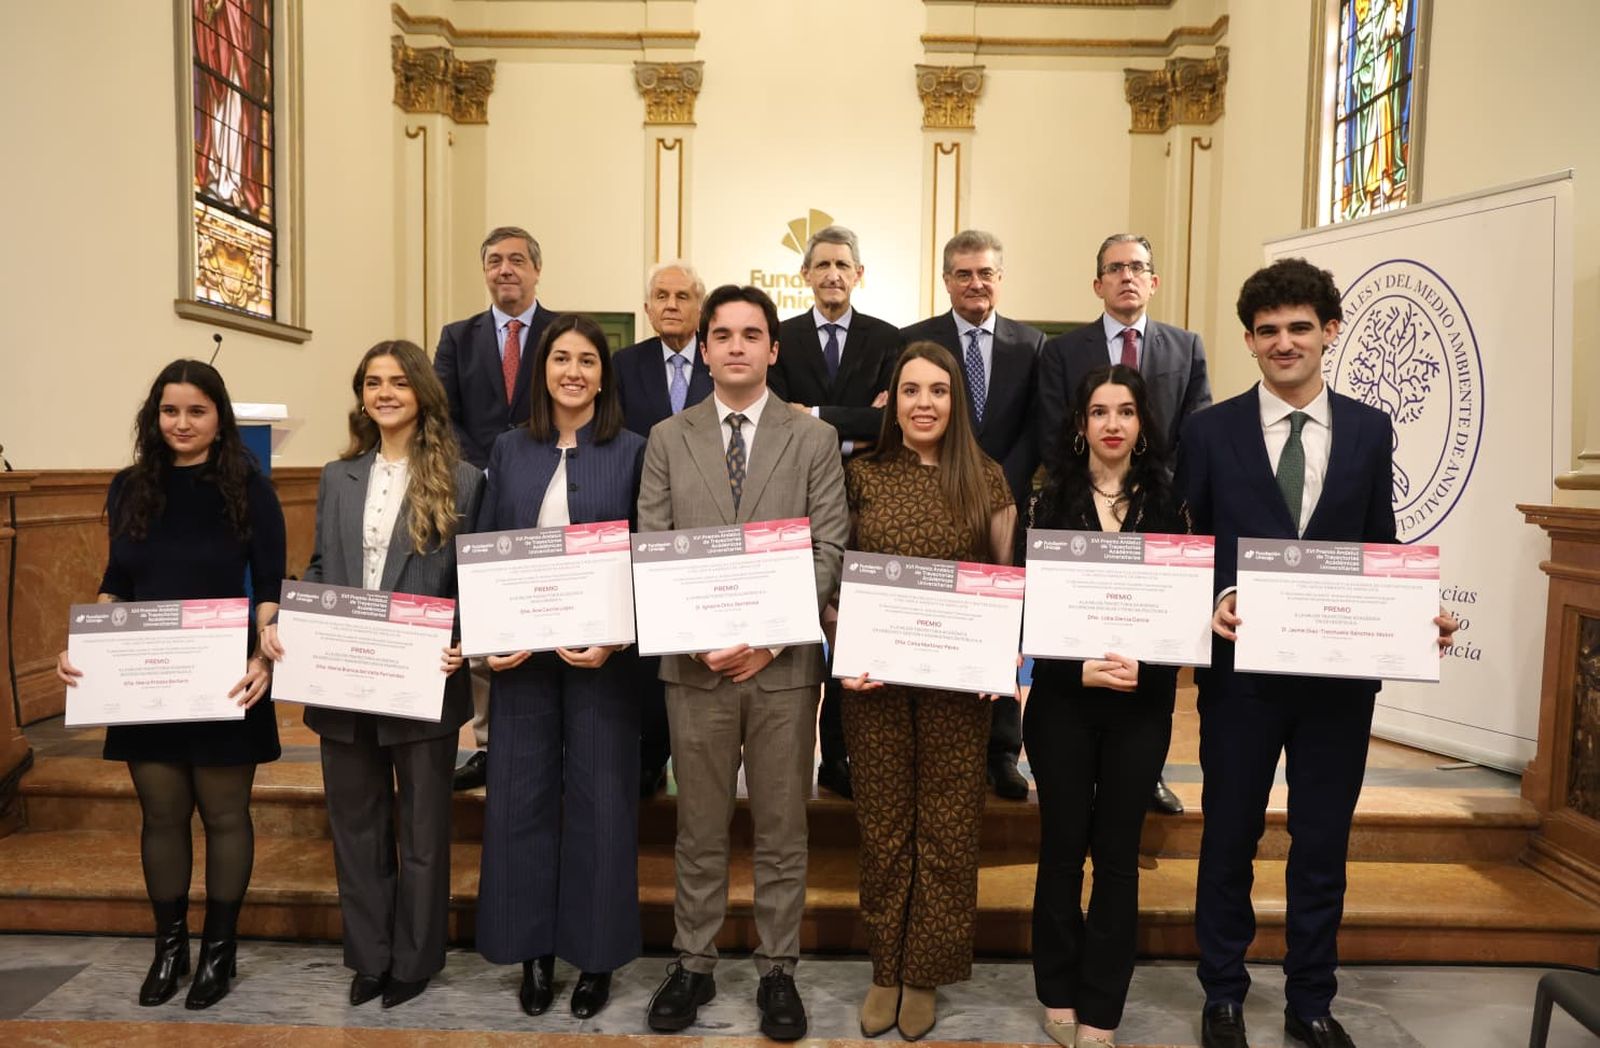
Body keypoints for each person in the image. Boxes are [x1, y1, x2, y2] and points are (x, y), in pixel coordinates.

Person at [1179, 259, 1458, 1048]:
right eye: (1267, 331)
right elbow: (1190, 546)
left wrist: (1413, 617)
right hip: (1243, 676)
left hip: (1337, 680)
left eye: (1300, 327)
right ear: (1248, 341)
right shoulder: (1209, 429)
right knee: (1229, 833)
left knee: (1323, 840)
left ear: (1330, 331)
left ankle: (1310, 1000)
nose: (1284, 343)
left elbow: (1380, 546)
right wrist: (1214, 601)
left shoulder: (1370, 428)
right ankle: (1223, 994)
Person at [638, 285, 848, 1042]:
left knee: (783, 826)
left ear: (772, 349)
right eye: (720, 334)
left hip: (783, 667)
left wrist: (766, 637)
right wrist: (700, 640)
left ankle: (777, 970)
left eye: (749, 334)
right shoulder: (667, 436)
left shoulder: (812, 439)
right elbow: (652, 547)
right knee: (698, 825)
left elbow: (829, 548)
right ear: (703, 347)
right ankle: (693, 962)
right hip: (695, 668)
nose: (734, 346)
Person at [56, 358, 284, 1010]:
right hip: (143, 677)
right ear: (155, 416)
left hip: (224, 675)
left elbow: (270, 585)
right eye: (169, 410)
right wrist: (86, 642)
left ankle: (219, 953)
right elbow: (117, 581)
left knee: (223, 814)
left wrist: (264, 659)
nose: (181, 423)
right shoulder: (130, 486)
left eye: (196, 411)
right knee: (160, 815)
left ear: (219, 417)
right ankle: (169, 948)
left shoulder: (248, 486)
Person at [263, 340, 483, 1010]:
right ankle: (369, 956)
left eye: (397, 381)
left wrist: (464, 639)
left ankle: (414, 958)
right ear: (362, 395)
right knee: (356, 825)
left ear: (421, 391)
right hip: (345, 679)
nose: (384, 392)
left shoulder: (465, 478)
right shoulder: (338, 475)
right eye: (372, 382)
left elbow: (474, 581)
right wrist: (292, 623)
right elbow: (325, 565)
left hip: (424, 675)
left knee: (422, 828)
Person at [838, 340, 1016, 1041]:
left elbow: (1005, 584)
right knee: (883, 831)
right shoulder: (862, 475)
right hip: (875, 686)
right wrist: (841, 647)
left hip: (955, 692)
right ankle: (886, 967)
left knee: (945, 831)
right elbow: (838, 581)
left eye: (938, 391)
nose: (923, 404)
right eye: (910, 390)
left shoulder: (989, 480)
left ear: (956, 402)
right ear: (893, 401)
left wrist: (996, 660)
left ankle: (924, 975)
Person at [473, 315, 647, 1020]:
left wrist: (617, 637)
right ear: (542, 370)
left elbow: (646, 554)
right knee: (519, 801)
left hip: (603, 661)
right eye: (560, 359)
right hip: (522, 662)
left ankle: (596, 957)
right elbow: (485, 548)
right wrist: (488, 638)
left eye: (586, 360)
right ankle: (533, 953)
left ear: (604, 375)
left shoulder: (633, 451)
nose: (573, 370)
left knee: (603, 804)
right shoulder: (509, 451)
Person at [1024, 364, 1188, 1048]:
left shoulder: (1171, 503)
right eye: (1099, 411)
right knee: (1062, 848)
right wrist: (1074, 665)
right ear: (1080, 423)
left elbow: (1180, 610)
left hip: (1140, 705)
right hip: (1062, 701)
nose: (1112, 423)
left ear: (1141, 423)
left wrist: (1146, 665)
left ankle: (1102, 1006)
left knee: (1117, 856)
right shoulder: (1048, 498)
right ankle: (1057, 990)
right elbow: (1030, 607)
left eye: (1125, 411)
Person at [1035, 233, 1213, 817]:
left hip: (1154, 519)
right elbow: (1052, 433)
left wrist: (1159, 502)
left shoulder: (1186, 347)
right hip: (1082, 511)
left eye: (1138, 267)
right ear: (1098, 284)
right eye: (1115, 268)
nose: (1127, 277)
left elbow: (1196, 434)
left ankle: (1146, 773)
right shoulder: (1062, 351)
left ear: (1153, 281)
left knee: (1146, 651)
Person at [901, 228, 1042, 801]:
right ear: (946, 281)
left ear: (1000, 279)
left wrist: (997, 487)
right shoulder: (915, 340)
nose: (975, 283)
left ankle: (1003, 751)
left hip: (1003, 502)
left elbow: (1039, 426)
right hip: (931, 505)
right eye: (963, 273)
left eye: (985, 273)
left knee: (1002, 621)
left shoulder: (1032, 346)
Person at [770, 224, 905, 803]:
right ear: (805, 276)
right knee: (804, 621)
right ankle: (795, 756)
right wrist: (857, 417)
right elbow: (778, 416)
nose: (831, 275)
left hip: (874, 498)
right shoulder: (781, 337)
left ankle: (843, 756)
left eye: (842, 265)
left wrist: (818, 412)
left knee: (855, 625)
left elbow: (890, 421)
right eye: (821, 265)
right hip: (796, 498)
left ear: (859, 275)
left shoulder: (887, 338)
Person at [433, 225, 554, 791]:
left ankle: (548, 738)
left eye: (516, 261)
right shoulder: (457, 337)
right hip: (478, 492)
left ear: (535, 270)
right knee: (483, 616)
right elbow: (441, 412)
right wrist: (480, 465)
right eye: (494, 261)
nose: (505, 269)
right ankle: (485, 743)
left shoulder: (562, 332)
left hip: (547, 488)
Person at [612, 260, 713, 798]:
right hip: (642, 520)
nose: (671, 305)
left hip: (709, 526)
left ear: (700, 306)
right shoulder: (623, 365)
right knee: (651, 653)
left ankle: (699, 764)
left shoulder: (720, 360)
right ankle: (650, 757)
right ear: (647, 307)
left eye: (682, 296)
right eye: (660, 296)